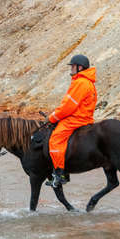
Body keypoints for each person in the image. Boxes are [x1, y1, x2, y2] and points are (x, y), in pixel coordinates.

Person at [46, 54, 97, 188]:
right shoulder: (86, 81)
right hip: (85, 117)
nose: (71, 68)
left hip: (76, 119)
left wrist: (52, 117)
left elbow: (68, 106)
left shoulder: (81, 82)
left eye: (73, 66)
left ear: (80, 67)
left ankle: (59, 174)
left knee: (55, 139)